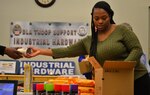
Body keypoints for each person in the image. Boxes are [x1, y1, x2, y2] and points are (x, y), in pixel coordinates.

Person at [24, 1, 150, 95]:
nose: (100, 21)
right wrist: (40, 51)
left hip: (137, 80)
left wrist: (123, 67)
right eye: (96, 18)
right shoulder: (89, 41)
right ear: (92, 18)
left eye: (104, 18)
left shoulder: (121, 30)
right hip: (113, 83)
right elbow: (67, 51)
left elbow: (136, 49)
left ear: (110, 16)